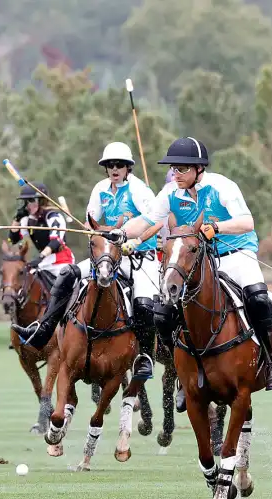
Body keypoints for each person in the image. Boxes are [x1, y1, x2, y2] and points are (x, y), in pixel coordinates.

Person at [106, 136, 272, 406]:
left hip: (236, 253)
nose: (175, 174)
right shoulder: (170, 193)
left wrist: (218, 228)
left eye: (182, 169)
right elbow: (146, 220)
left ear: (198, 169)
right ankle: (183, 372)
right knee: (164, 313)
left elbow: (247, 222)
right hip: (199, 261)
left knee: (259, 299)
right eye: (173, 169)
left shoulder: (221, 186)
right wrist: (119, 233)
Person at [11, 141, 163, 381]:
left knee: (143, 304)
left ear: (128, 168)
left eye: (119, 165)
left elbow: (157, 221)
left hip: (139, 256)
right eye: (110, 165)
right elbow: (91, 222)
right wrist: (90, 230)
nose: (114, 169)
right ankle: (44, 330)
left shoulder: (139, 190)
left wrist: (136, 240)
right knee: (68, 274)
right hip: (108, 255)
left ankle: (144, 357)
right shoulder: (101, 189)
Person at [8, 182, 75, 284]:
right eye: (25, 201)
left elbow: (55, 242)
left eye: (30, 201)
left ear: (41, 201)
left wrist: (40, 257)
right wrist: (17, 219)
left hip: (61, 262)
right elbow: (13, 239)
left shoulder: (53, 217)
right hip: (44, 262)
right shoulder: (29, 220)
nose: (27, 205)